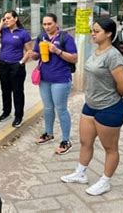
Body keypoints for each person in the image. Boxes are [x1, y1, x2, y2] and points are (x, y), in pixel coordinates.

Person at [60, 18, 123, 196]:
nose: (93, 33)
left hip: (110, 107)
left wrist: (112, 95)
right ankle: (80, 172)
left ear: (109, 34)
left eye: (96, 31)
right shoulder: (95, 50)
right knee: (85, 142)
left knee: (110, 148)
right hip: (90, 105)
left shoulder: (113, 56)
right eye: (92, 30)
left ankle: (105, 181)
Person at [30, 13, 78, 154]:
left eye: (49, 24)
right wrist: (33, 55)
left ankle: (65, 140)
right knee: (48, 108)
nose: (46, 27)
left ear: (56, 23)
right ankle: (48, 133)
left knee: (61, 109)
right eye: (44, 24)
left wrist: (57, 50)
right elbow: (35, 53)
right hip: (44, 79)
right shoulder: (41, 37)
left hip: (61, 79)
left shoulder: (65, 38)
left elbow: (74, 58)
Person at [0, 10, 32, 128]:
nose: (6, 20)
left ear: (16, 18)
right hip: (3, 64)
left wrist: (21, 62)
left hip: (16, 66)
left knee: (17, 91)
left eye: (8, 18)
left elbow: (29, 50)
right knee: (5, 89)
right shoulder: (3, 31)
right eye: (4, 18)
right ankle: (6, 112)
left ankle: (18, 116)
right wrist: (1, 24)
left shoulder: (23, 33)